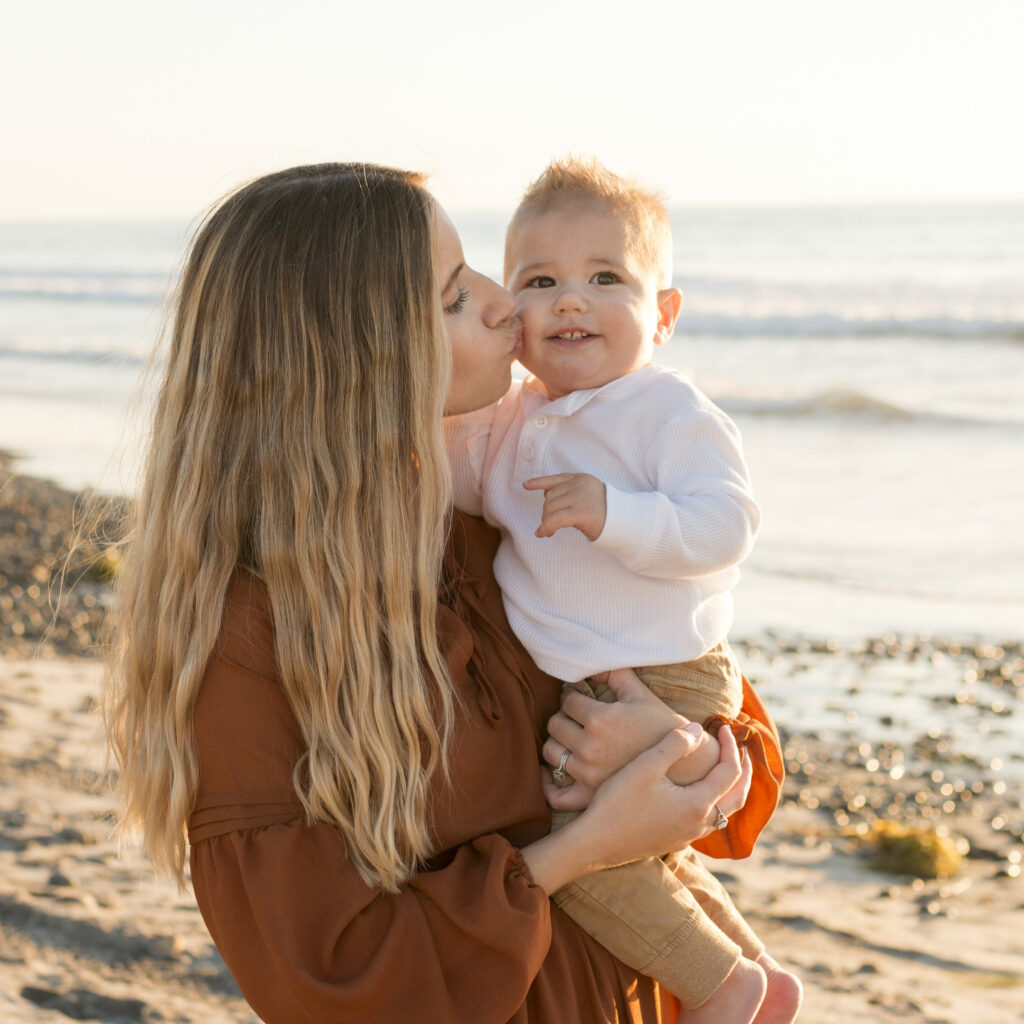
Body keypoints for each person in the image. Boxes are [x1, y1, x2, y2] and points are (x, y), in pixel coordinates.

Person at [103, 162, 770, 1024]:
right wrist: (581, 850)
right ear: (355, 358)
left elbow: (731, 768)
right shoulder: (249, 637)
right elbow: (338, 982)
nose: (506, 304)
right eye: (455, 296)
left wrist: (671, 740)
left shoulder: (507, 517)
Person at [444, 157, 801, 1023]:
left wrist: (618, 515)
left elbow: (726, 525)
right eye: (541, 281)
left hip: (665, 669)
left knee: (580, 857)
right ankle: (756, 972)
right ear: (511, 311)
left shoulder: (665, 412)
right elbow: (450, 476)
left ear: (663, 315)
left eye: (606, 277)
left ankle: (722, 989)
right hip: (588, 676)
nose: (571, 300)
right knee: (645, 853)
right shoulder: (514, 417)